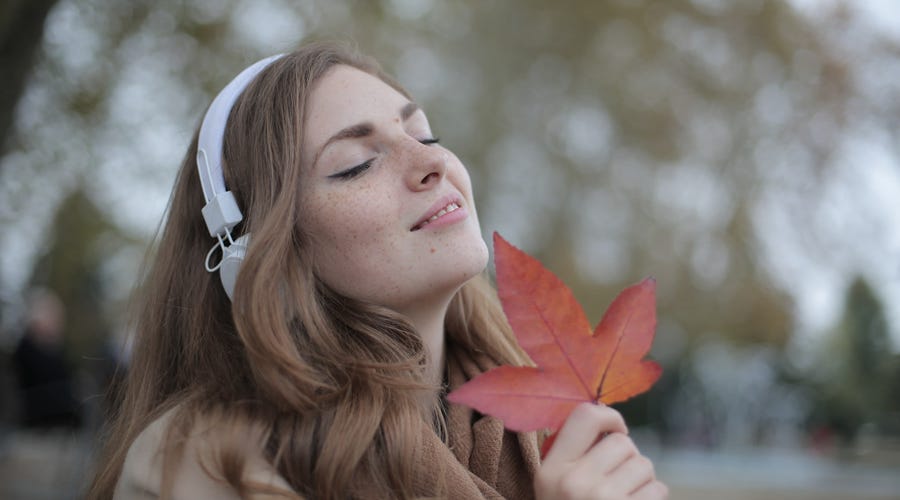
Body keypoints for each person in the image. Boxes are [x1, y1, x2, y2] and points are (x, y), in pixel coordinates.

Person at [87, 41, 667, 499]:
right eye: (356, 165)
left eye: (424, 134)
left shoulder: (548, 435)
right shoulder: (204, 461)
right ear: (254, 256)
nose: (432, 162)